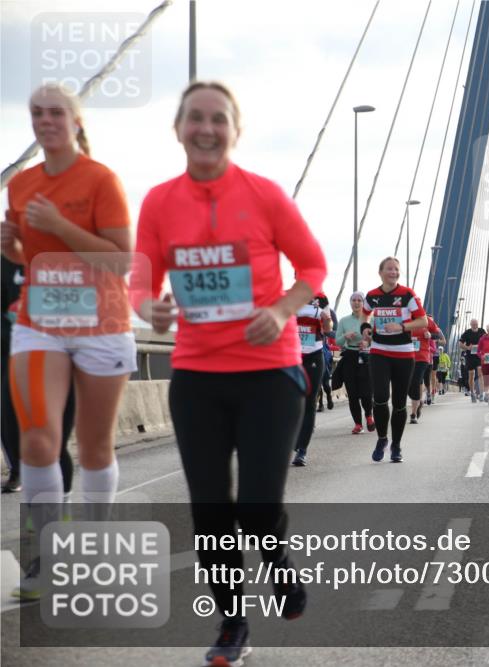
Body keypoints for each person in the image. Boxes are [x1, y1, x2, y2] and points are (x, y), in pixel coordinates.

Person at [130, 81, 326, 664]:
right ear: (178, 127)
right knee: (210, 509)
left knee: (259, 507)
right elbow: (141, 278)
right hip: (196, 376)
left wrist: (281, 310)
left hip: (269, 372)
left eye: (218, 119)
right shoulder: (160, 202)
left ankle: (279, 565)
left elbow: (312, 263)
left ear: (234, 131)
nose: (206, 128)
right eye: (195, 118)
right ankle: (231, 624)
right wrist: (148, 306)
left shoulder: (264, 195)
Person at [3, 83, 136, 601]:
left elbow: (121, 260)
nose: (45, 120)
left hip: (102, 322)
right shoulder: (20, 184)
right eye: (36, 113)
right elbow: (25, 257)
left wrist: (59, 224)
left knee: (96, 445)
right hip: (41, 322)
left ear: (76, 121)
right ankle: (44, 558)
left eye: (56, 112)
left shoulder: (101, 180)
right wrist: (13, 245)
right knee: (37, 438)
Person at [1, 258, 75, 497]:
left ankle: (59, 511)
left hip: (55, 358)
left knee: (53, 443)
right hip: (12, 356)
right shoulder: (4, 262)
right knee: (19, 439)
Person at [361, 257, 427, 463]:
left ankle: (396, 446)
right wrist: (365, 329)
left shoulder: (408, 295)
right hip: (379, 351)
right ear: (380, 272)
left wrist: (402, 327)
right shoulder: (372, 296)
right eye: (389, 269)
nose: (393, 272)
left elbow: (423, 320)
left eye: (396, 269)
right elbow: (364, 316)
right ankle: (382, 438)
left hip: (404, 354)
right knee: (380, 397)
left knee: (399, 403)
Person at [291, 293, 333, 466]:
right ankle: (293, 438)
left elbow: (328, 328)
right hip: (291, 356)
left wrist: (325, 319)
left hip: (313, 355)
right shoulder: (288, 294)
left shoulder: (321, 299)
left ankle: (302, 449)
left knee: (309, 402)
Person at [336, 291, 375, 434]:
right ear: (350, 302)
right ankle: (358, 424)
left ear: (363, 302)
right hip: (350, 356)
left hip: (366, 356)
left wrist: (367, 341)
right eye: (354, 300)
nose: (357, 302)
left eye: (359, 300)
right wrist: (345, 336)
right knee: (352, 394)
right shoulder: (344, 320)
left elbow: (378, 338)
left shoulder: (371, 319)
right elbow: (337, 341)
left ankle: (369, 416)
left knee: (366, 392)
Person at [408, 311, 440, 424]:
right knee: (407, 385)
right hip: (406, 357)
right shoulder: (404, 317)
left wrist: (431, 335)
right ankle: (419, 401)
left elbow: (438, 335)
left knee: (416, 382)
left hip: (422, 357)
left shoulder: (426, 320)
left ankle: (413, 414)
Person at [459, 319, 486, 402]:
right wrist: (467, 347)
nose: (475, 325)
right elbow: (460, 344)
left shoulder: (482, 331)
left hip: (479, 356)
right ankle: (472, 393)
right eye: (473, 324)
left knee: (480, 373)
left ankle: (481, 393)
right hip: (470, 357)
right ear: (470, 325)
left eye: (476, 324)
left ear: (478, 324)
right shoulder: (467, 333)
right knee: (471, 375)